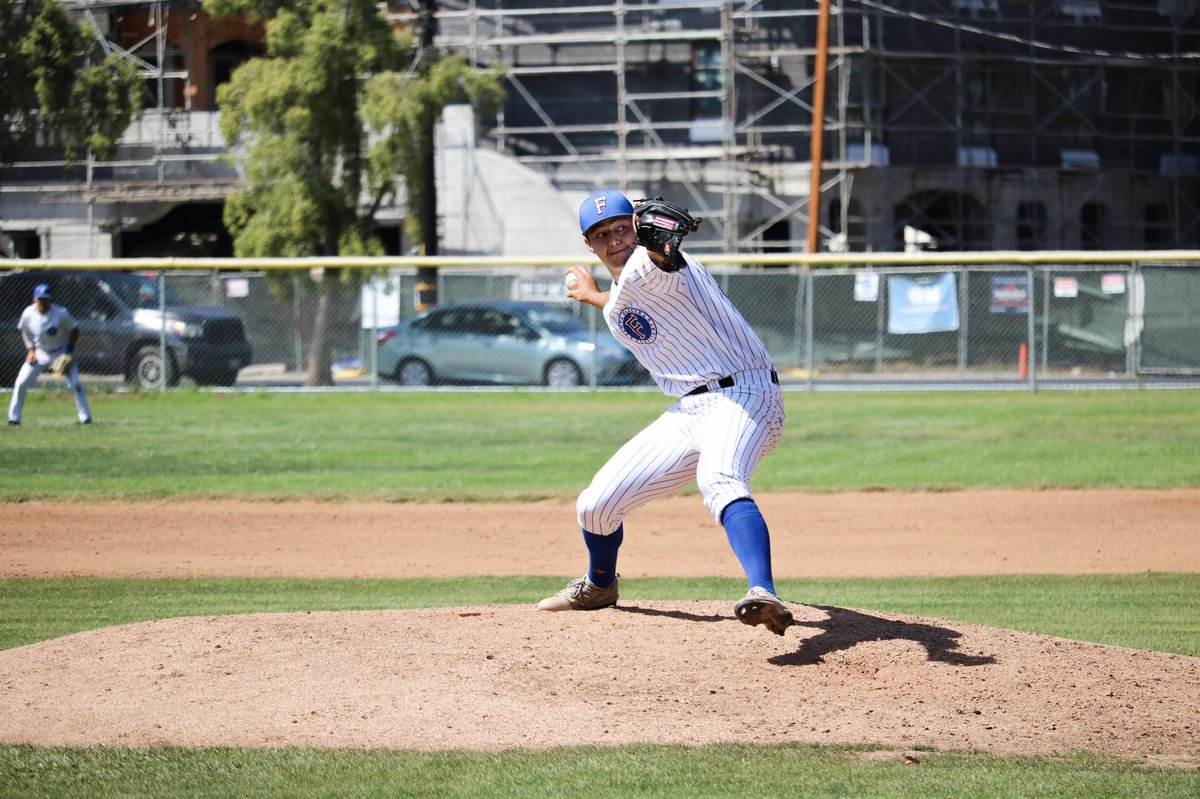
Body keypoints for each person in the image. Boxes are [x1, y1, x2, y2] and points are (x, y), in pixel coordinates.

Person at [537, 189, 793, 635]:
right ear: (589, 245)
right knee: (595, 506)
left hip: (746, 394)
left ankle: (763, 591)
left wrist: (660, 245)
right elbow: (623, 301)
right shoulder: (621, 295)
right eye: (602, 234)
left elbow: (660, 264)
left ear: (639, 228)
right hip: (689, 410)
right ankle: (600, 586)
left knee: (719, 478)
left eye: (622, 227)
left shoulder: (653, 263)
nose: (614, 239)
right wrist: (592, 295)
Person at [8, 283, 93, 426]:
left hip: (60, 353)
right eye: (40, 299)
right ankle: (14, 418)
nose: (43, 302)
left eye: (46, 299)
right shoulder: (28, 313)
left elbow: (75, 329)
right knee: (21, 382)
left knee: (76, 384)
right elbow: (25, 330)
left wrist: (68, 352)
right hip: (39, 352)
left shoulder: (60, 313)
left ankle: (85, 418)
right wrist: (31, 350)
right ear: (34, 299)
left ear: (50, 299)